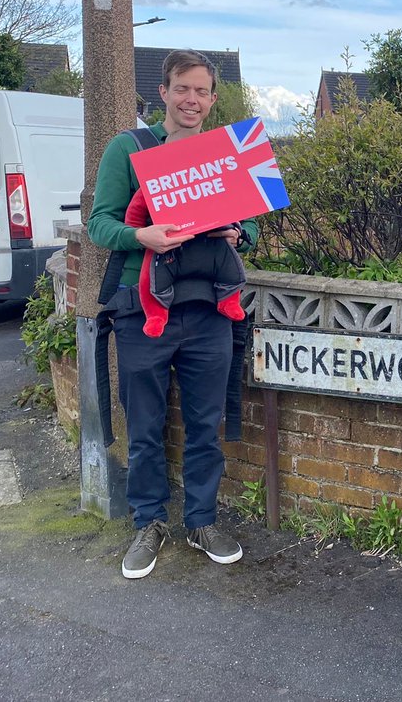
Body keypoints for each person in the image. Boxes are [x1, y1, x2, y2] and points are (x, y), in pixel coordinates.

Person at [88, 49, 260, 579]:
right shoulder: (130, 148)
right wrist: (141, 235)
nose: (192, 100)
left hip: (209, 309)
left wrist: (238, 233)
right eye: (182, 88)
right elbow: (100, 224)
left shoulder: (225, 153)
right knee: (145, 425)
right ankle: (148, 522)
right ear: (162, 93)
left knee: (206, 424)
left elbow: (250, 229)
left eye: (202, 91)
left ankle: (202, 520)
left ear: (213, 98)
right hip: (142, 311)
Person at [124, 184, 246, 338]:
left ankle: (229, 302)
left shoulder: (213, 171)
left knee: (231, 272)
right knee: (151, 280)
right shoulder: (154, 180)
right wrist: (138, 234)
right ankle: (156, 316)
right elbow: (127, 214)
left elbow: (242, 208)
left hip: (212, 245)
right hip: (167, 246)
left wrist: (238, 232)